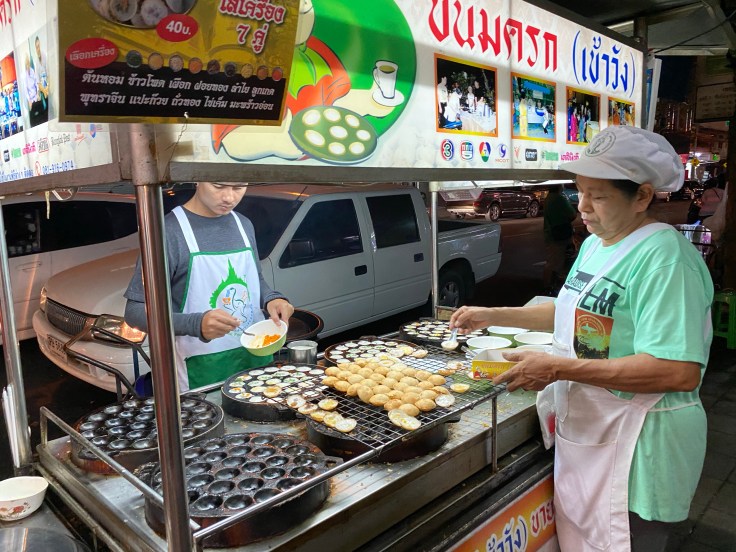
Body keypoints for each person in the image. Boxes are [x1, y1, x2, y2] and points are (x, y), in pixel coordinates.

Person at [450, 126, 713, 552]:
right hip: (592, 436)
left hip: (641, 449)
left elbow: (676, 370)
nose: (582, 208)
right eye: (580, 191)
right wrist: (492, 315)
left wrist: (558, 368)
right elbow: (570, 310)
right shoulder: (596, 245)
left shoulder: (665, 260)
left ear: (642, 196)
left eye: (598, 196)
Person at [124, 182, 295, 391]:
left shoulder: (243, 224)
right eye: (219, 186)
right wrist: (195, 324)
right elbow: (135, 312)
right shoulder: (167, 232)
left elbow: (254, 278)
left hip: (255, 358)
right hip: (200, 368)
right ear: (197, 179)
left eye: (238, 188)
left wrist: (272, 298)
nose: (229, 198)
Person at [542, 184, 576, 294]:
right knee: (556, 262)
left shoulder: (548, 199)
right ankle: (550, 286)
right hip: (560, 234)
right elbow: (572, 214)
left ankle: (548, 285)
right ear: (559, 187)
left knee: (552, 260)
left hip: (551, 233)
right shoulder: (559, 199)